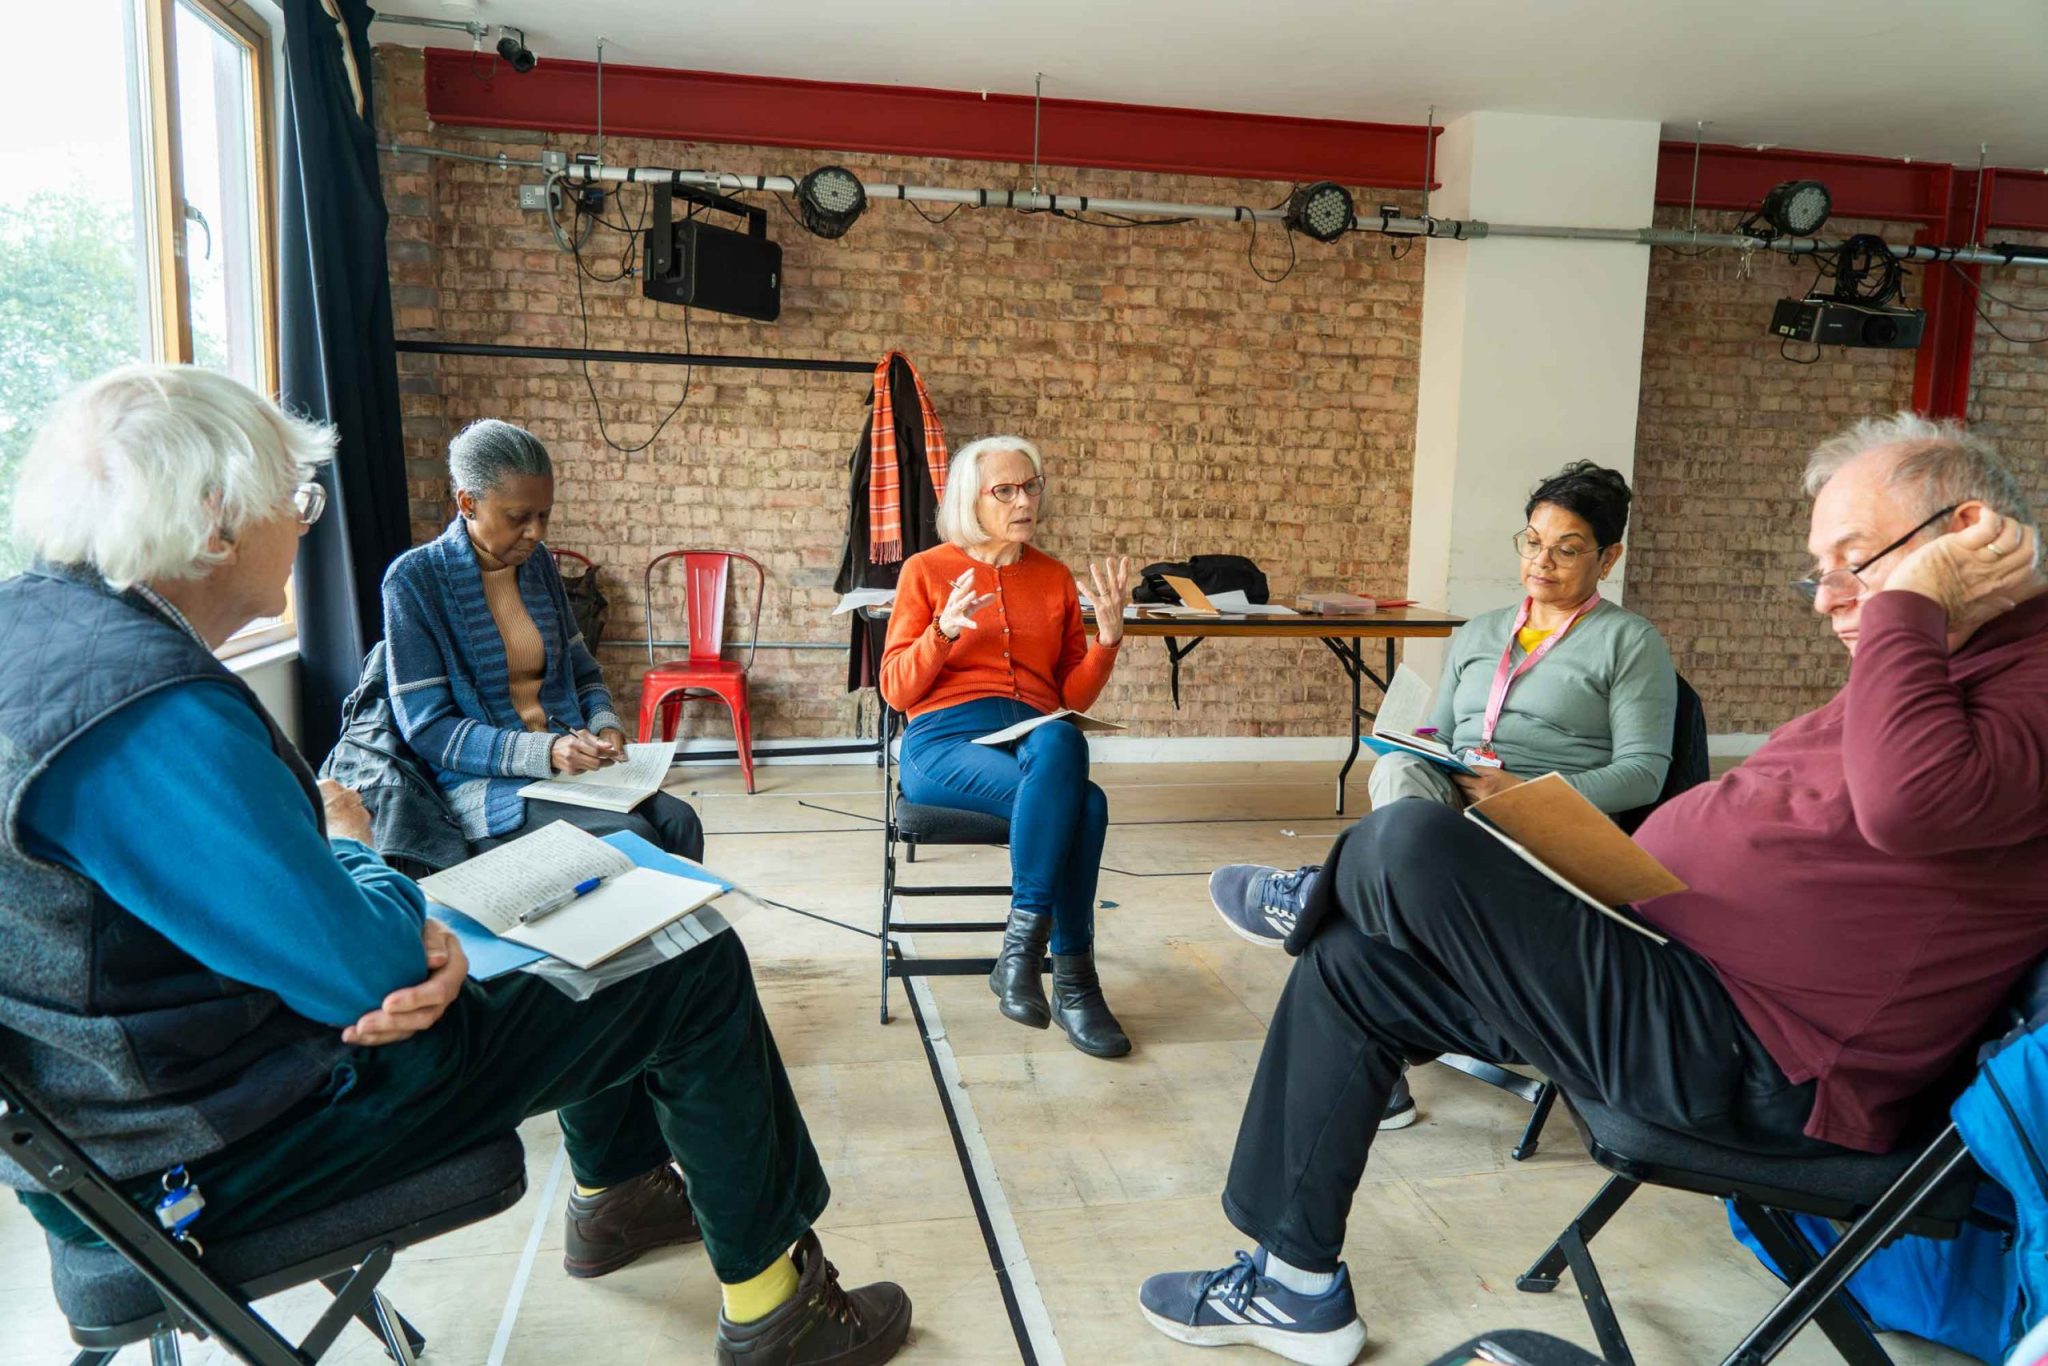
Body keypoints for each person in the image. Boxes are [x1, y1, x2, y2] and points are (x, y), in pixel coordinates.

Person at [0, 367, 910, 1366]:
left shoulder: (35, 636)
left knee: (600, 913)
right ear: (216, 520)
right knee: (687, 962)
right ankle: (777, 1310)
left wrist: (360, 920)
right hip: (226, 1148)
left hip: (150, 1112)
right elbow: (379, 966)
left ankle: (615, 1196)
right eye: (296, 501)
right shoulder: (146, 711)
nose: (306, 526)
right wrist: (355, 856)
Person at [1138, 413, 2048, 1365]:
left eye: (1854, 560)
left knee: (1405, 842)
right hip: (1662, 971)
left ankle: (1308, 892)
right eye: (1817, 567)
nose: (1826, 598)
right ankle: (1293, 1285)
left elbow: (1911, 806)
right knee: (1352, 962)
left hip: (1757, 1058)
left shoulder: (2025, 682)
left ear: (1963, 536)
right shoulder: (1942, 666)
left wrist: (1914, 604)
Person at [1209, 461, 1676, 1127]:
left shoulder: (1631, 643)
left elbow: (1642, 774)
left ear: (1609, 557)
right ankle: (1355, 933)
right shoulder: (1481, 632)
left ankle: (1324, 904)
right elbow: (1454, 731)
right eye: (1533, 542)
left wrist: (1521, 788)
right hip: (1458, 805)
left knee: (1401, 854)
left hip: (1543, 823)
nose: (1543, 562)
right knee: (1402, 774)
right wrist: (1421, 743)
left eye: (1568, 549)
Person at [879, 435, 1136, 1057]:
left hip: (1029, 733)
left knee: (1060, 741)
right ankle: (1074, 983)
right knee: (1088, 806)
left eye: (1032, 486)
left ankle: (1022, 957)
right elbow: (894, 689)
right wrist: (941, 632)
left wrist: (1106, 640)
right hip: (942, 740)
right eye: (1007, 490)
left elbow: (1072, 693)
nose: (1025, 500)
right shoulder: (927, 570)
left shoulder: (1051, 577)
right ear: (973, 499)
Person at [382, 419, 704, 861]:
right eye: (518, 518)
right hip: (488, 784)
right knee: (632, 839)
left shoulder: (538, 567)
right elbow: (427, 728)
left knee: (681, 822)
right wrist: (546, 751)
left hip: (569, 768)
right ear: (468, 503)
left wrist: (603, 722)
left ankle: (667, 932)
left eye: (544, 514)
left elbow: (583, 672)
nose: (536, 532)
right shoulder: (414, 580)